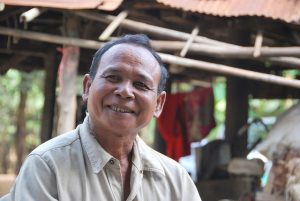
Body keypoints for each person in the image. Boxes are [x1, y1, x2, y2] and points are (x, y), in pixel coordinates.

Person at [1, 34, 202, 201]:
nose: (125, 92)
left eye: (141, 85)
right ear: (87, 87)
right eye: (113, 77)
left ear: (158, 104)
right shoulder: (47, 166)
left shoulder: (176, 181)